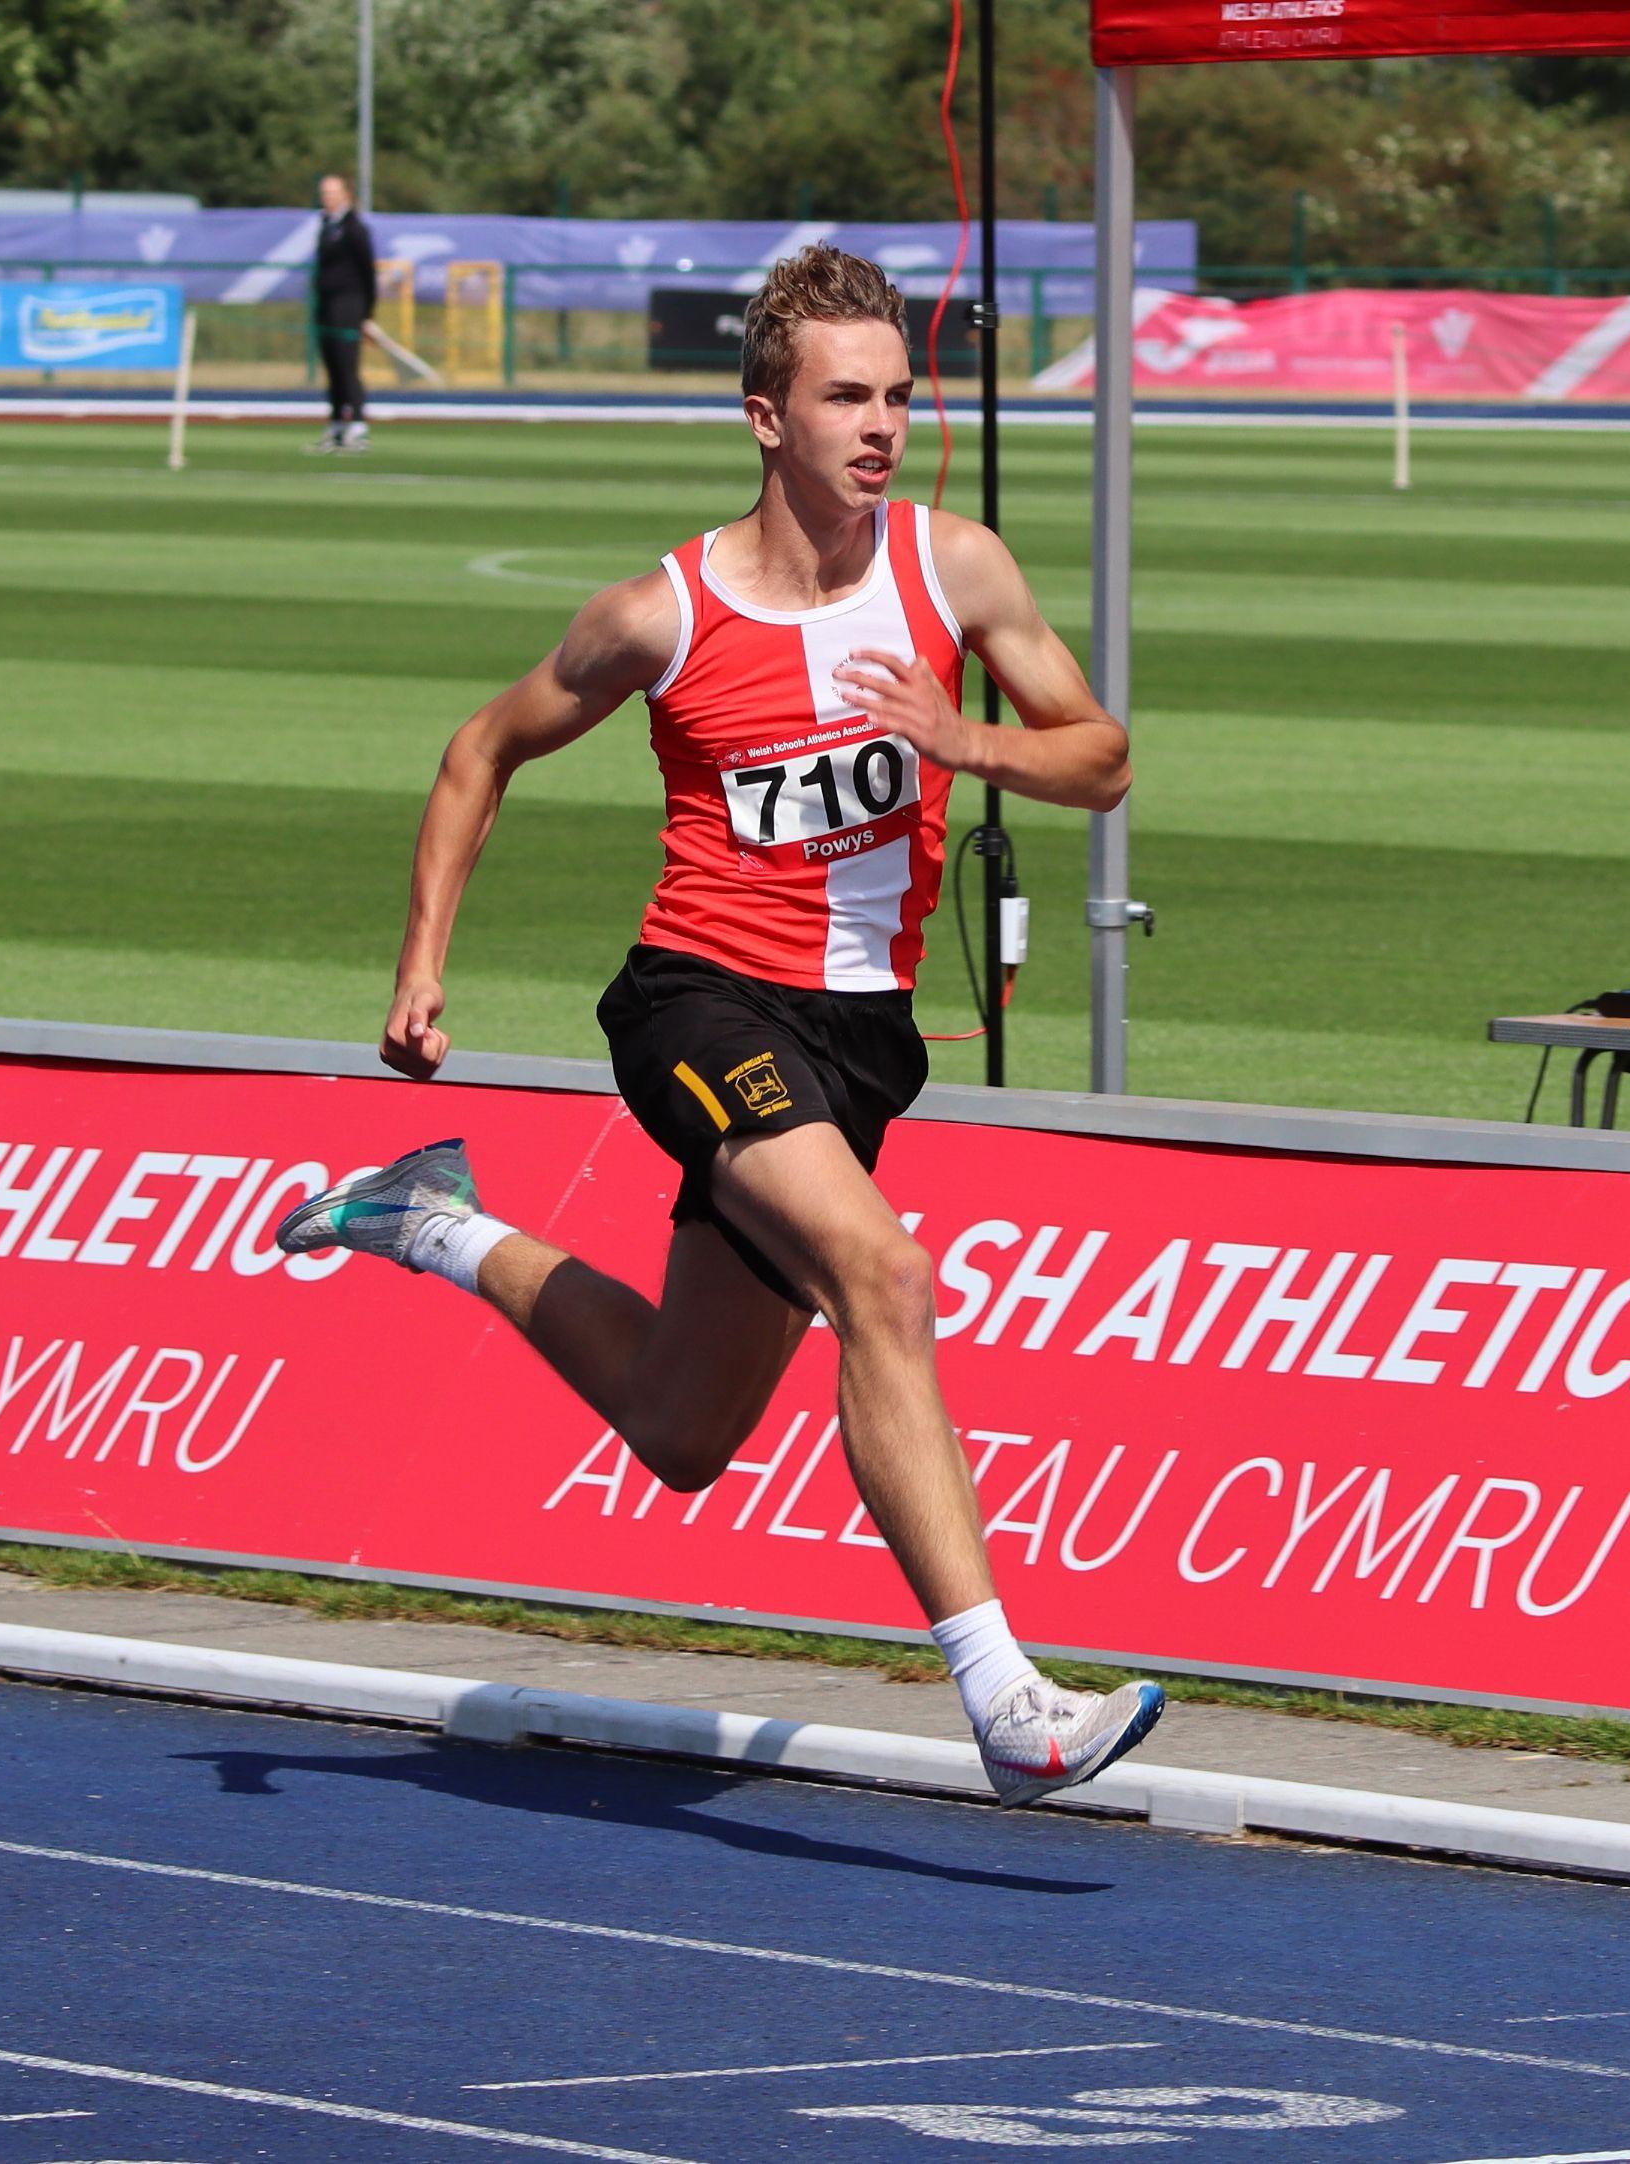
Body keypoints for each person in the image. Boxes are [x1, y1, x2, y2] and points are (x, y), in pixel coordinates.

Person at [279, 244, 1161, 1809]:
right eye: (844, 397)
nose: (879, 424)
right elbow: (479, 750)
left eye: (897, 393)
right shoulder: (659, 614)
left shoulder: (954, 568)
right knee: (879, 1274)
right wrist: (419, 963)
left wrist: (959, 737)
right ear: (767, 418)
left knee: (682, 1430)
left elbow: (1098, 760)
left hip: (860, 1036)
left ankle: (429, 1223)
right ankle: (1005, 1701)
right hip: (695, 1003)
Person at [308, 174, 375, 452]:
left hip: (349, 307)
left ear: (345, 195)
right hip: (326, 307)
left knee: (348, 367)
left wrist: (367, 313)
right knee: (333, 368)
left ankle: (358, 426)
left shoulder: (354, 228)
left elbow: (367, 272)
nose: (328, 198)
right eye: (325, 192)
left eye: (333, 192)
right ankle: (336, 426)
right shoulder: (325, 225)